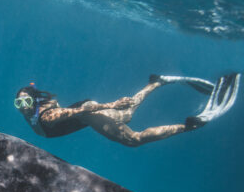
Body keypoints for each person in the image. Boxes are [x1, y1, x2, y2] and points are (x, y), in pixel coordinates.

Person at [14, 73, 240, 147]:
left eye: (26, 103)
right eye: (19, 104)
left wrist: (110, 105)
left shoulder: (47, 115)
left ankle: (188, 126)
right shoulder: (39, 107)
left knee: (133, 139)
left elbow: (76, 111)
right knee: (128, 114)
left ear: (34, 103)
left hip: (89, 114)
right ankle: (157, 82)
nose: (23, 108)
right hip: (87, 112)